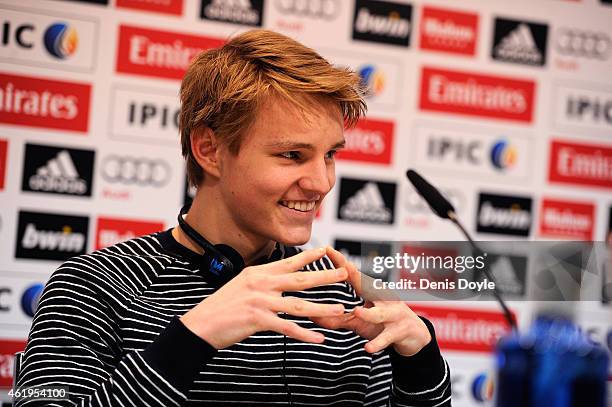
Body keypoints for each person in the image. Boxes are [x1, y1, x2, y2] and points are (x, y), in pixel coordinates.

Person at [16, 30, 451, 406]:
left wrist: (422, 364)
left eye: (330, 155)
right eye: (292, 155)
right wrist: (193, 336)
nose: (321, 183)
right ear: (209, 150)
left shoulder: (341, 294)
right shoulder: (94, 283)